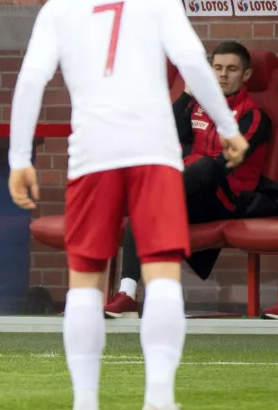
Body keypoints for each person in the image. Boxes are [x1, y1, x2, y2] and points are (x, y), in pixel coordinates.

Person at [7, 0, 248, 410]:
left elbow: (30, 81)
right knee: (161, 272)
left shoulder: (62, 5)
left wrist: (19, 159)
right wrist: (229, 127)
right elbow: (192, 65)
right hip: (154, 151)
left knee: (85, 282)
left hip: (92, 154)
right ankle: (159, 403)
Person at [106, 41, 272, 318]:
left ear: (245, 76)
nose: (222, 74)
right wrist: (185, 96)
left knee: (203, 167)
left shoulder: (254, 116)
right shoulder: (195, 107)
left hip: (225, 198)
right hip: (185, 196)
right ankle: (128, 294)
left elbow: (225, 164)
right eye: (217, 68)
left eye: (231, 69)